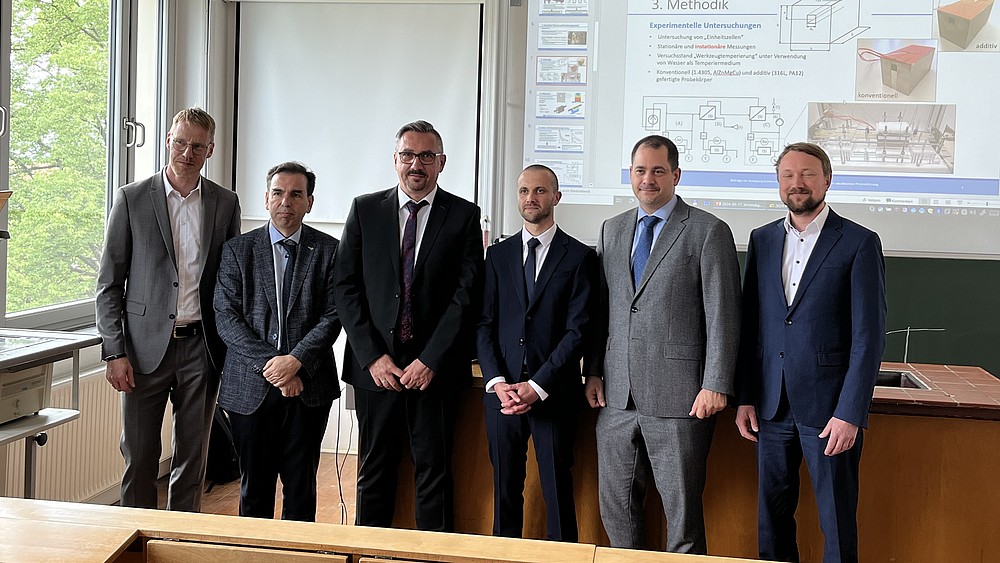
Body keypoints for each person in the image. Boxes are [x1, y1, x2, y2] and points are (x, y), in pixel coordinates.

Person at [583, 135, 741, 553]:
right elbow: (605, 310)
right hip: (617, 396)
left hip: (682, 397)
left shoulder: (708, 231)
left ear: (676, 174)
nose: (647, 180)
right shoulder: (612, 229)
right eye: (640, 171)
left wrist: (716, 383)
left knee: (682, 518)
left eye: (657, 171)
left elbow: (723, 315)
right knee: (617, 511)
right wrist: (594, 369)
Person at [735, 142, 886, 563]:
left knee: (836, 522)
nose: (797, 183)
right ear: (778, 182)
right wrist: (746, 395)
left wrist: (851, 413)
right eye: (788, 175)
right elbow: (753, 328)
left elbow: (868, 337)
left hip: (830, 412)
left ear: (827, 180)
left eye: (807, 174)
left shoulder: (859, 242)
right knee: (772, 520)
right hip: (770, 407)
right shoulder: (761, 240)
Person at [333, 120, 484, 531]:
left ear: (441, 163)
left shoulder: (465, 216)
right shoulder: (365, 209)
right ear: (395, 160)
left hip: (433, 371)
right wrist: (372, 357)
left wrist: (430, 359)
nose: (416, 164)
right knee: (373, 469)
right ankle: (367, 554)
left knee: (433, 471)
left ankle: (433, 559)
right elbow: (344, 288)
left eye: (426, 156)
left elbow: (465, 296)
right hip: (375, 370)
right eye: (408, 155)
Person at [96, 107, 242, 511]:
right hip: (142, 351)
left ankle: (180, 542)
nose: (187, 152)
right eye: (180, 142)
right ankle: (135, 541)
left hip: (202, 348)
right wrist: (115, 352)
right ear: (167, 141)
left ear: (210, 149)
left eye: (197, 145)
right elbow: (108, 285)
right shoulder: (131, 198)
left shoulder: (225, 203)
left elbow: (230, 284)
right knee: (139, 457)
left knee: (193, 458)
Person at [213, 161, 341, 521]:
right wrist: (275, 366)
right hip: (250, 387)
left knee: (301, 487)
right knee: (254, 486)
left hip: (309, 385)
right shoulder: (237, 250)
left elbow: (334, 315)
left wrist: (296, 361)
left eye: (296, 194)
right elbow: (226, 317)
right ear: (266, 198)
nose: (287, 201)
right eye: (278, 193)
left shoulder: (330, 250)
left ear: (309, 202)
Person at [476, 164, 597, 541]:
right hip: (503, 396)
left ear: (556, 198)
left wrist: (537, 385)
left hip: (554, 393)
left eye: (541, 191)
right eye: (525, 191)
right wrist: (498, 383)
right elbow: (484, 324)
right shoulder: (497, 256)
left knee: (558, 489)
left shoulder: (579, 257)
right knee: (504, 489)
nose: (532, 198)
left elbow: (578, 331)